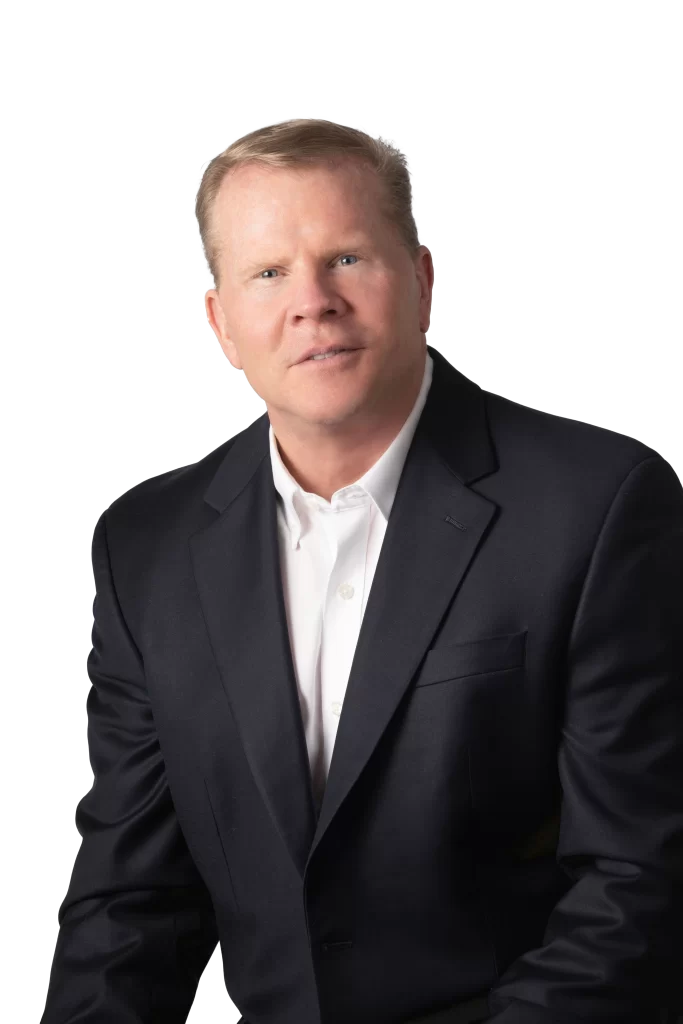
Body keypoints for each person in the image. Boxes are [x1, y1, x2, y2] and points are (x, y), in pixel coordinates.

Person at [42, 116, 682, 1024]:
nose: (312, 302)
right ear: (221, 322)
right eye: (267, 273)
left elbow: (639, 882)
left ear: (421, 279)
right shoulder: (145, 541)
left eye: (345, 257)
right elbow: (129, 900)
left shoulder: (601, 502)